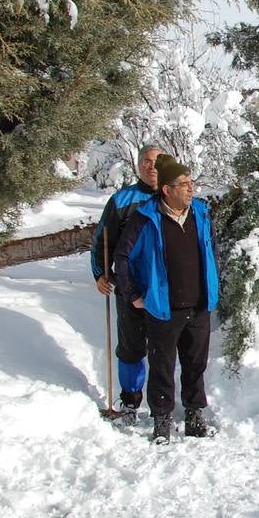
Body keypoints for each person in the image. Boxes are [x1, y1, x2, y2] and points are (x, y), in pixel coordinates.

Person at [114, 155, 220, 444]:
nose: (190, 189)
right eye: (183, 184)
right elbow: (121, 259)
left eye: (191, 183)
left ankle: (195, 415)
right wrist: (133, 294)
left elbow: (210, 252)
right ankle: (162, 420)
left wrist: (212, 283)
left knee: (195, 364)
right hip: (163, 307)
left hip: (198, 305)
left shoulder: (200, 213)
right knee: (162, 365)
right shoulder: (145, 218)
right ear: (166, 189)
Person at [91, 145, 162, 416]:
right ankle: (130, 401)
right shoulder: (122, 200)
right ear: (138, 165)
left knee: (162, 350)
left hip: (163, 288)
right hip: (128, 287)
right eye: (146, 161)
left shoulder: (174, 195)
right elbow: (101, 241)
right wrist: (100, 273)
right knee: (131, 347)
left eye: (157, 161)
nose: (151, 166)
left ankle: (161, 406)